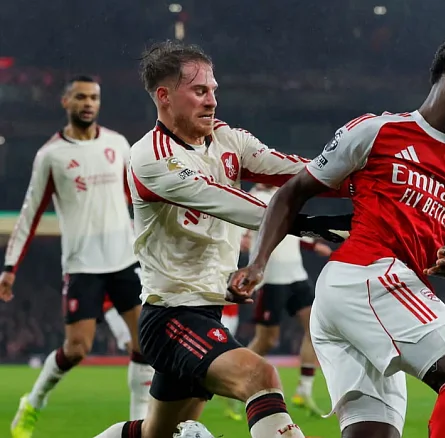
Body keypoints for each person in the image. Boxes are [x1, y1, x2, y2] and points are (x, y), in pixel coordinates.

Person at [229, 31, 445, 438]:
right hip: (366, 276)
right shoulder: (377, 131)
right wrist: (258, 263)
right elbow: (292, 192)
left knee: (373, 433)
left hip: (379, 292)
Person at [95, 40, 349, 438]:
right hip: (172, 316)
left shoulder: (227, 139)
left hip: (207, 309)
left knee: (155, 433)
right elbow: (225, 201)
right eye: (199, 91)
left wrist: (361, 180)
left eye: (213, 90)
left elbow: (295, 172)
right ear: (164, 96)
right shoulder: (150, 156)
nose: (212, 100)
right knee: (259, 376)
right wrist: (308, 223)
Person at [1, 75, 153, 438]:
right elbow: (30, 213)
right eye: (81, 97)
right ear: (66, 102)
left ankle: (139, 427)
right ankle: (34, 400)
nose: (88, 103)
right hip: (83, 266)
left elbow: (139, 196)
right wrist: (9, 267)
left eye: (94, 98)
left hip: (124, 261)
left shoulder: (117, 144)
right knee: (76, 349)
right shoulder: (51, 155)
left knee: (143, 344)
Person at [219, 198, 332, 421]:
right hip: (271, 280)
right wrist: (242, 240)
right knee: (266, 340)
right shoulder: (254, 197)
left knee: (314, 328)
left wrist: (312, 245)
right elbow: (240, 230)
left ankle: (304, 390)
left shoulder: (287, 194)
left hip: (296, 276)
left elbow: (291, 228)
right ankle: (235, 383)